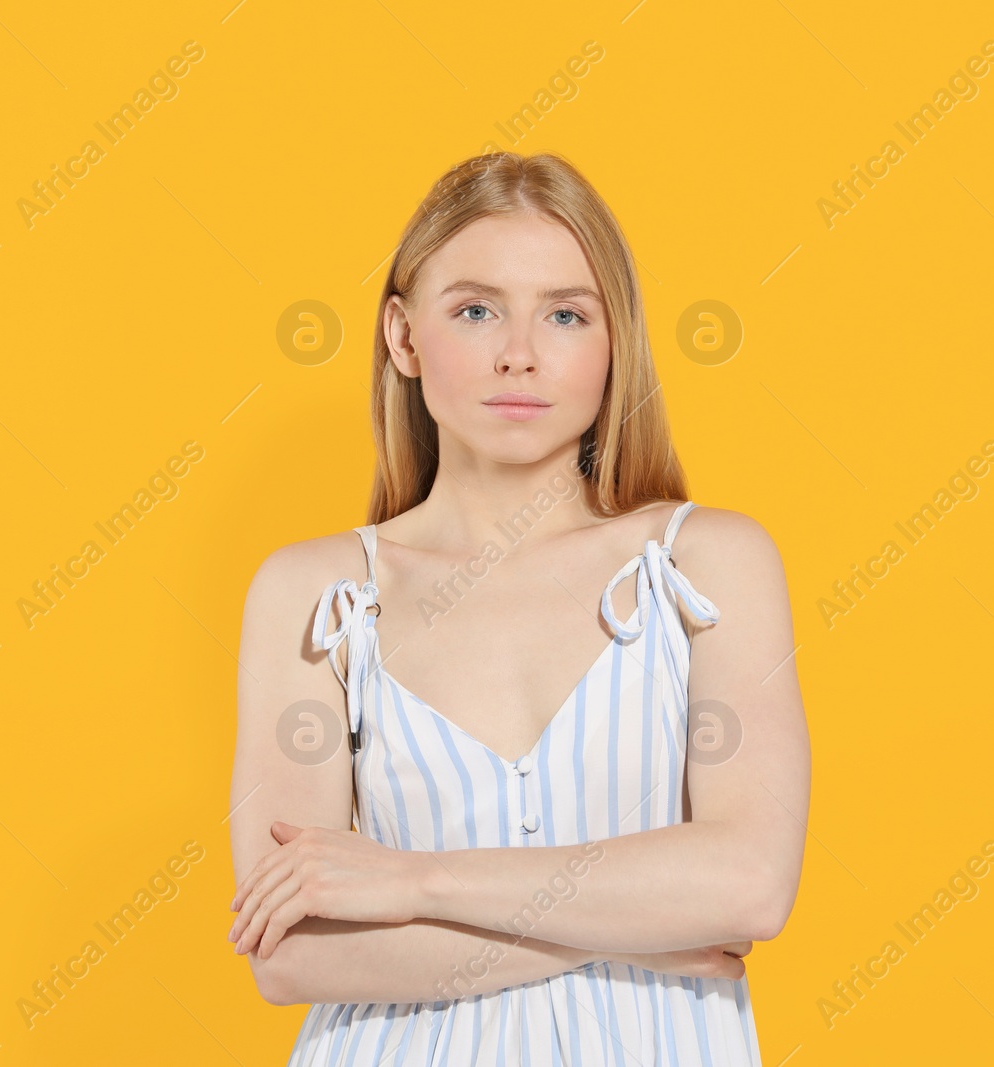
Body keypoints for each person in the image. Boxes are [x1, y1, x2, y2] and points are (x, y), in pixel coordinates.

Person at [227, 151, 809, 1065]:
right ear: (404, 337)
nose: (520, 352)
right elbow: (291, 952)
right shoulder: (314, 594)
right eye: (475, 309)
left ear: (615, 342)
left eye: (567, 314)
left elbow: (748, 882)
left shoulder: (705, 564)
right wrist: (628, 925)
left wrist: (414, 880)